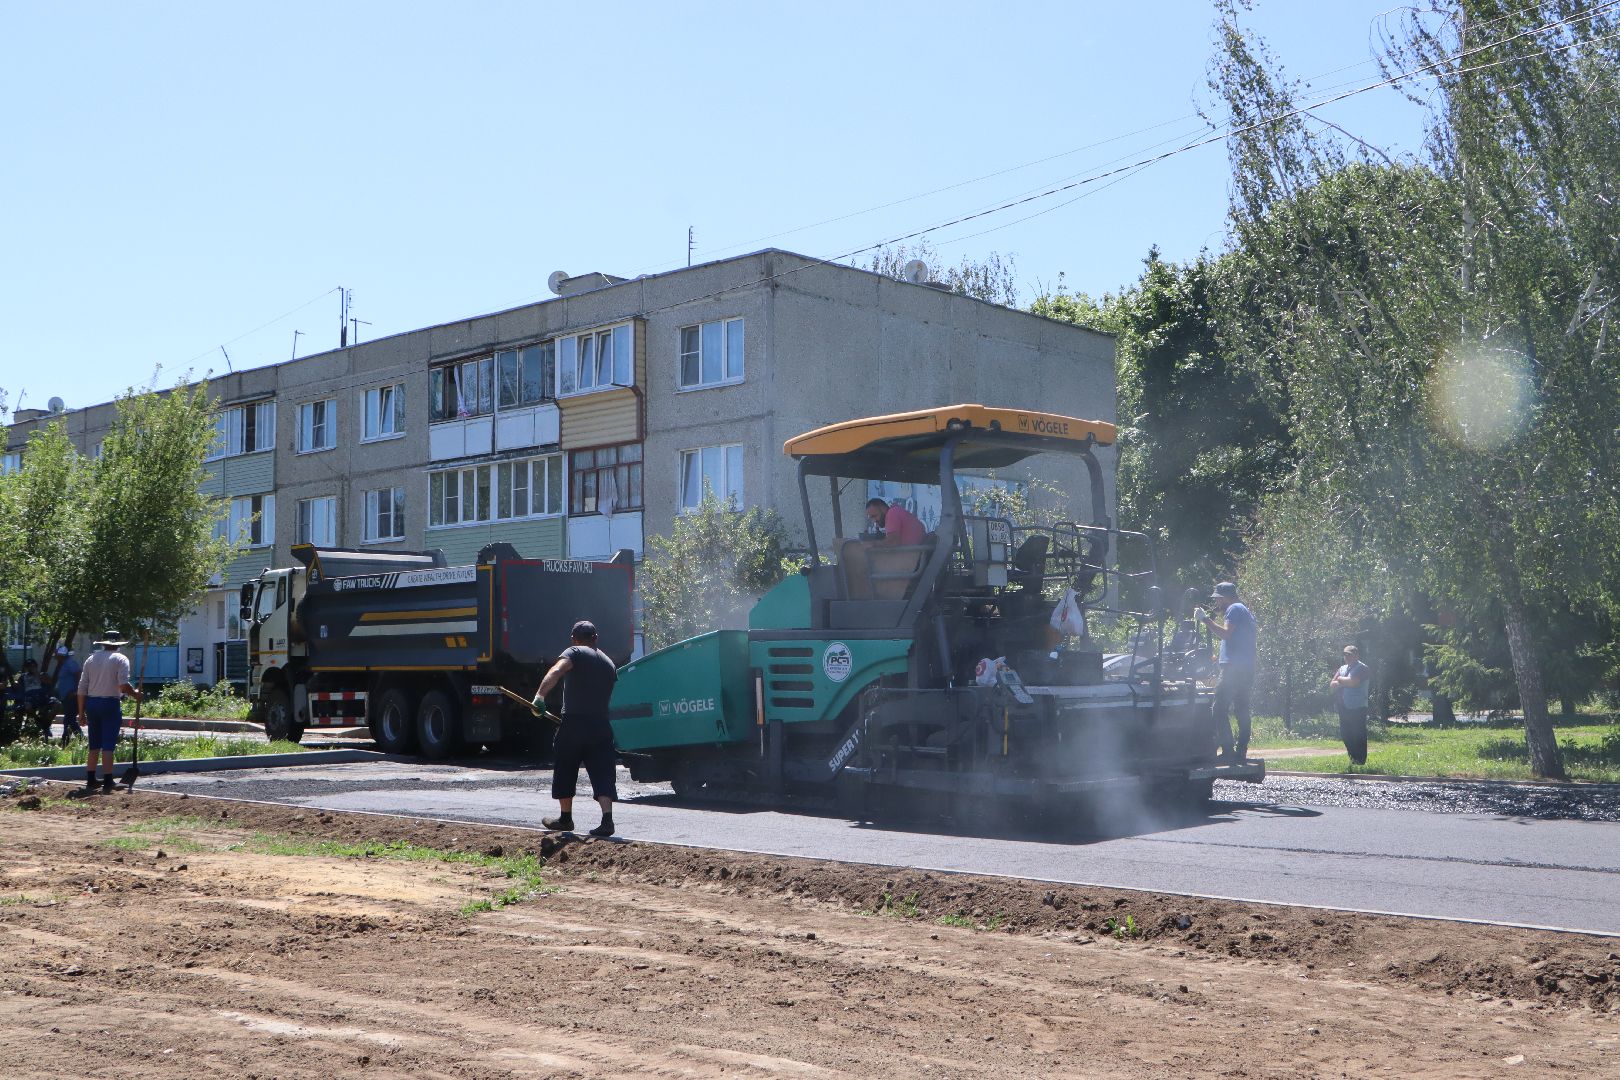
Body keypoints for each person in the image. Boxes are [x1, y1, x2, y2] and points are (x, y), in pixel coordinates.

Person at [533, 620, 619, 837]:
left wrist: (540, 696)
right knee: (603, 771)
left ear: (574, 639)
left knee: (566, 767)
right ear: (596, 638)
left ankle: (565, 818)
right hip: (601, 724)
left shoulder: (575, 652)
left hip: (574, 723)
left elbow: (556, 670)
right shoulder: (609, 663)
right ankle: (607, 820)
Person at [1196, 582, 1258, 762]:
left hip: (1234, 669)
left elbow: (1226, 634)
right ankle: (1241, 752)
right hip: (1245, 668)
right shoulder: (1243, 610)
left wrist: (1205, 619)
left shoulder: (1234, 609)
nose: (1217, 603)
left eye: (1218, 599)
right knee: (1242, 710)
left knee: (1218, 709)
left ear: (1225, 597)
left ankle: (1229, 751)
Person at [77, 632, 142, 794]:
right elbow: (122, 685)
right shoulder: (121, 659)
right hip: (110, 703)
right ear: (119, 644)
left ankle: (91, 780)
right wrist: (135, 694)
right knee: (108, 745)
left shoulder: (91, 659)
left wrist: (81, 712)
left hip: (92, 703)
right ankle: (107, 781)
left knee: (94, 744)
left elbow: (82, 688)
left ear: (103, 644)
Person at [1330, 645, 1371, 765]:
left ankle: (1360, 761)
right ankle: (1353, 758)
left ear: (1356, 655)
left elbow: (1353, 682)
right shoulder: (1342, 668)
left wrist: (1340, 681)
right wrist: (1343, 681)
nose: (1347, 657)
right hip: (1343, 706)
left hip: (1358, 706)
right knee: (1345, 734)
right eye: (1345, 655)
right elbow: (1332, 684)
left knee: (1358, 734)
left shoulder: (1362, 668)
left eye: (1350, 654)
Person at [54, 645, 84, 744]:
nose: (55, 657)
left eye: (57, 655)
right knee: (68, 720)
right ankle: (67, 741)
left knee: (69, 720)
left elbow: (79, 674)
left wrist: (77, 691)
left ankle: (78, 740)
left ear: (61, 655)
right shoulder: (63, 664)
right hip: (66, 697)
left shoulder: (70, 663)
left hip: (72, 696)